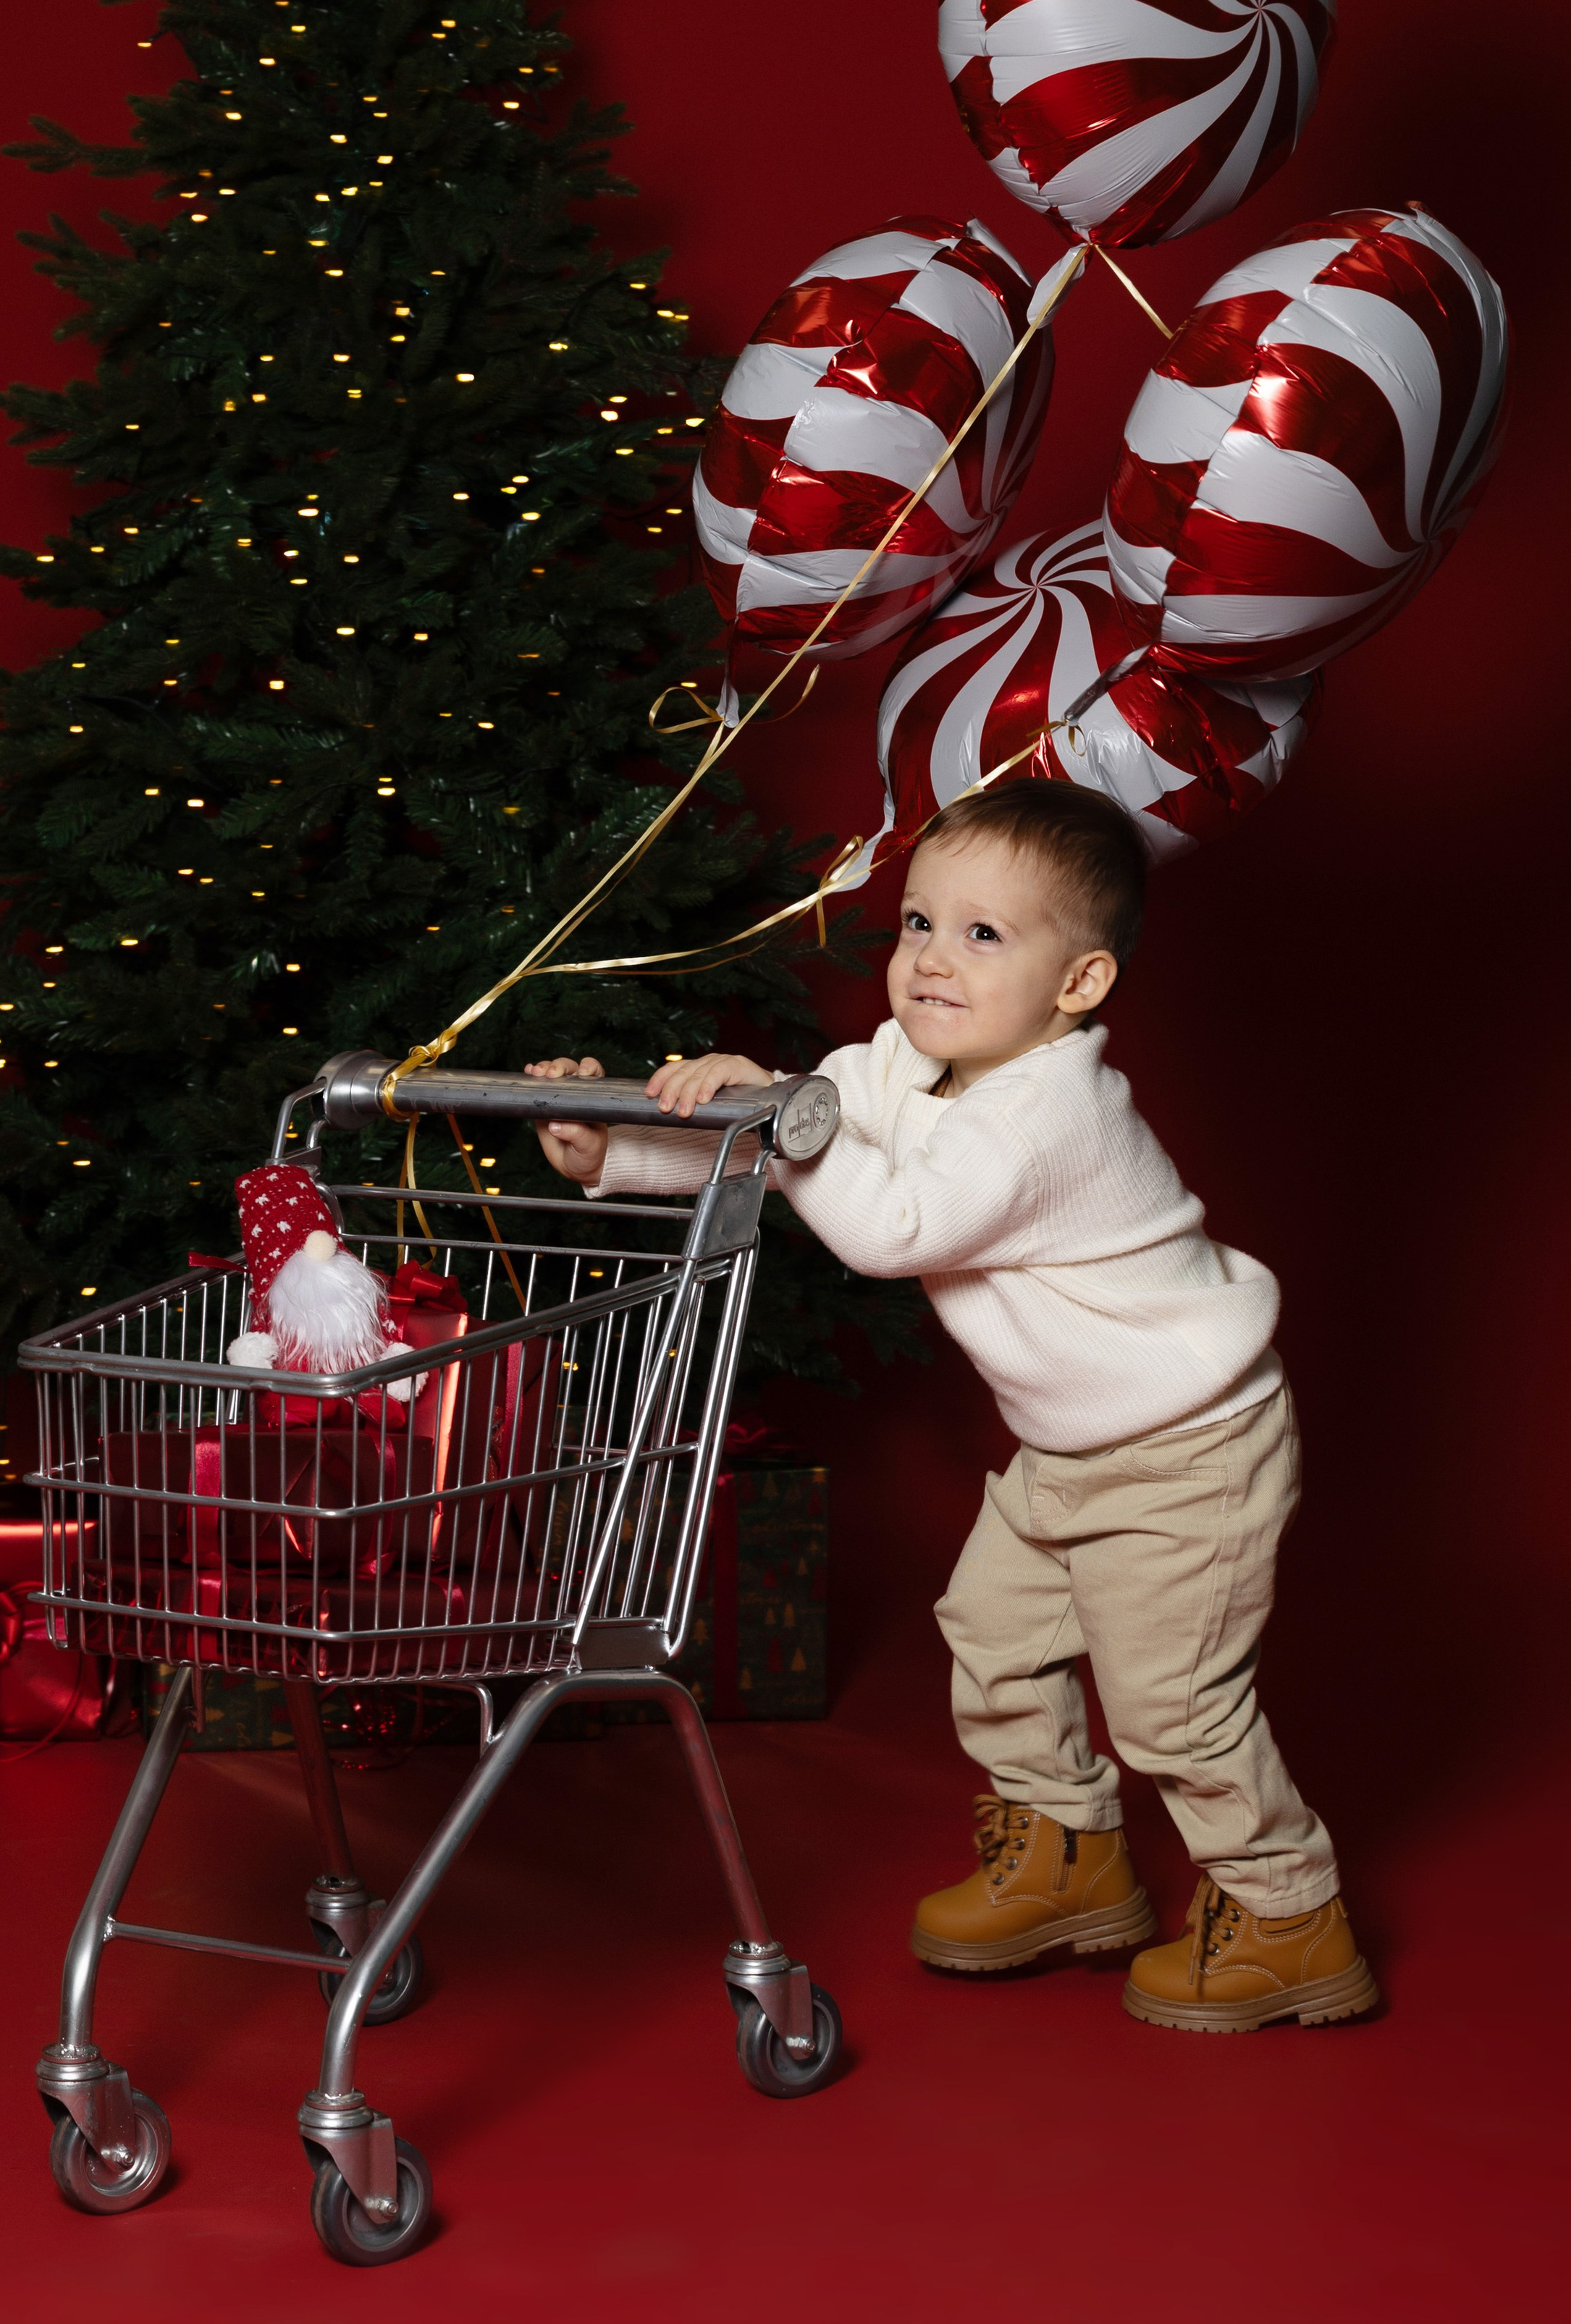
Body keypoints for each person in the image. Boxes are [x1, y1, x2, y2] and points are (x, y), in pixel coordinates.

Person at [526, 778, 1376, 2034]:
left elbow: (883, 1224)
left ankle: (1291, 1910)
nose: (931, 959)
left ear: (1077, 985)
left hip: (1189, 1448)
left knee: (1173, 1704)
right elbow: (797, 1138)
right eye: (920, 922)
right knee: (991, 1631)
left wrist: (785, 1102)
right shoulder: (905, 1061)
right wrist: (629, 1149)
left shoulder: (1054, 1111)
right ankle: (1071, 1859)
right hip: (1070, 1447)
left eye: (984, 935)